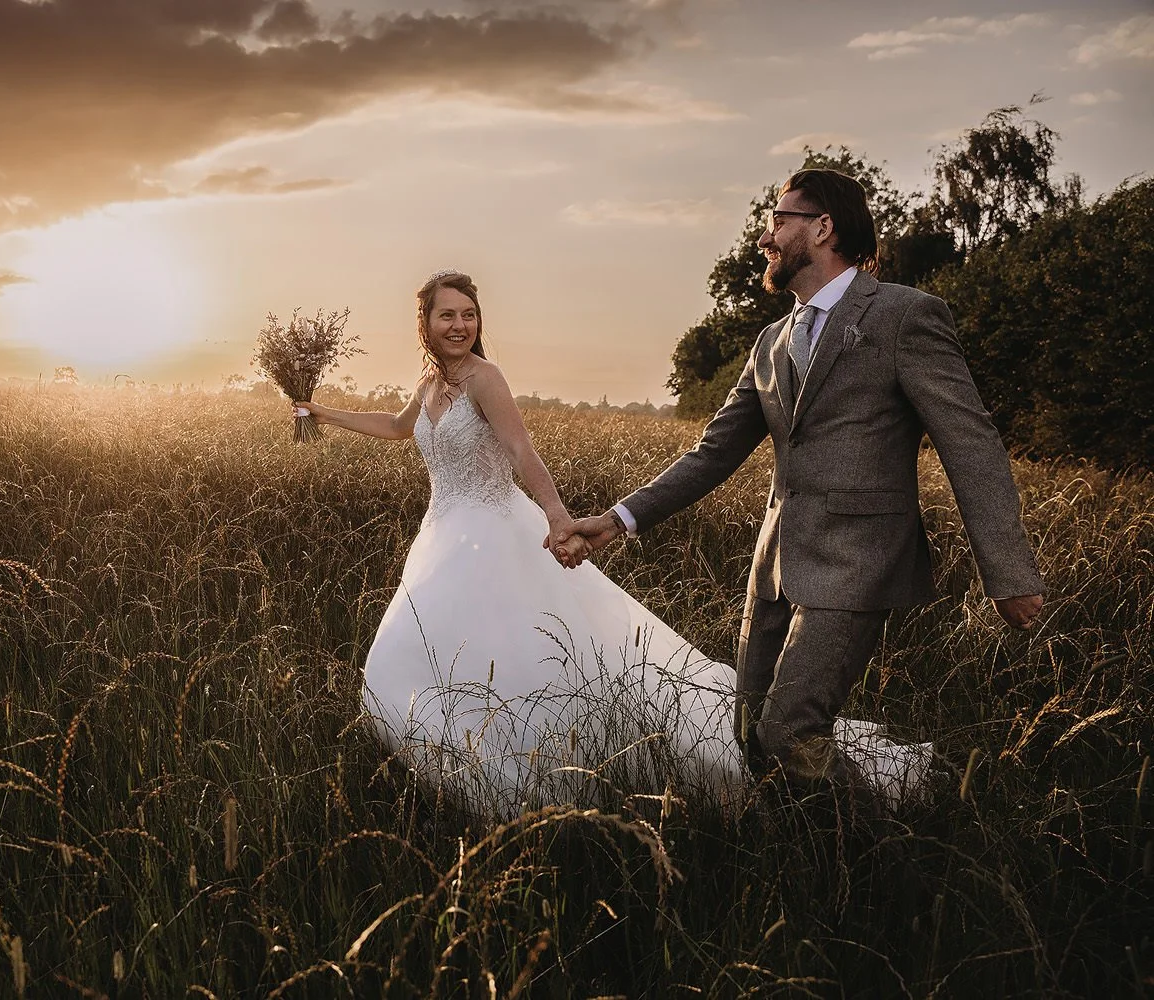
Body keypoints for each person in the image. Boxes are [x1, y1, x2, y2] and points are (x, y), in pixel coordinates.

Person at [296, 268, 933, 819]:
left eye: (468, 315)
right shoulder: (433, 384)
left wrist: (556, 516)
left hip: (497, 533)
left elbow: (521, 451)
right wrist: (320, 410)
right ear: (426, 324)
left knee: (513, 660)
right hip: (443, 537)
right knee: (433, 658)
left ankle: (539, 772)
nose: (459, 326)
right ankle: (471, 775)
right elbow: (396, 427)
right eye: (447, 316)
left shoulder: (486, 378)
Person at [552, 168, 1043, 810]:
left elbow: (970, 444)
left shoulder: (904, 316)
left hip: (861, 562)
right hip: (775, 564)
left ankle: (885, 858)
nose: (767, 236)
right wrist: (618, 520)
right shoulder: (770, 342)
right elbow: (713, 452)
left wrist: (1007, 571)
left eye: (779, 220)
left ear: (822, 227)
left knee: (790, 732)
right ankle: (806, 866)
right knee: (753, 740)